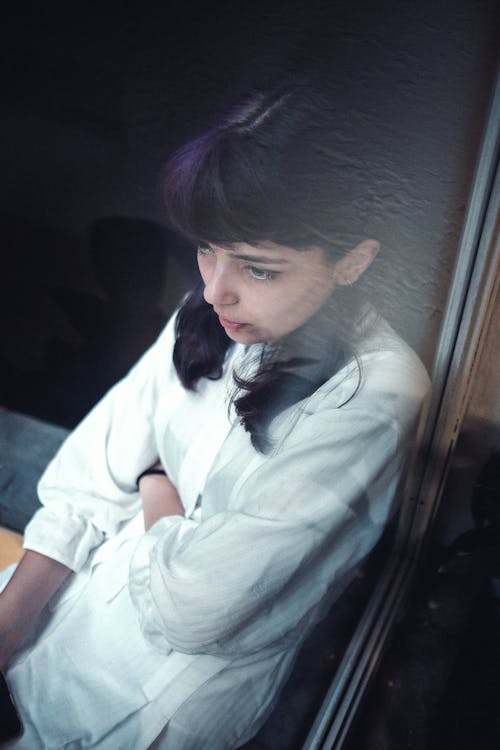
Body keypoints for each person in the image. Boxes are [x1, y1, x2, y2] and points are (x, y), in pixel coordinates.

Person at [0, 80, 429, 749]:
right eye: (206, 246)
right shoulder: (207, 313)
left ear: (352, 261)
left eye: (259, 269)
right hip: (59, 619)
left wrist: (152, 483)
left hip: (148, 708)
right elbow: (85, 484)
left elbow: (193, 611)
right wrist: (6, 639)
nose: (212, 289)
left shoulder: (379, 391)